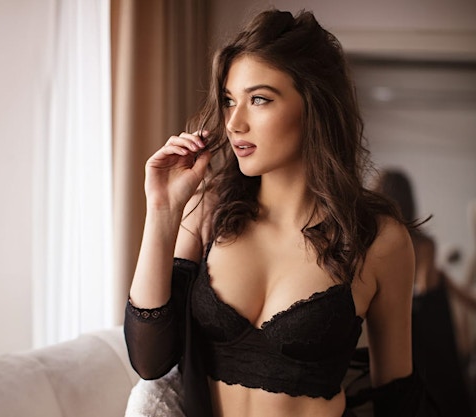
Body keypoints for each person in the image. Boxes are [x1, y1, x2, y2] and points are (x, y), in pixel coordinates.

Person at [123, 9, 434, 417]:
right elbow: (150, 360)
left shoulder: (378, 238)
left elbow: (397, 394)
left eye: (259, 99)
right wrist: (163, 209)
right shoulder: (209, 211)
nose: (234, 122)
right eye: (230, 101)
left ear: (315, 105)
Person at [374, 169, 472, 415]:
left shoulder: (374, 242)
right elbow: (426, 287)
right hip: (427, 333)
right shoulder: (423, 243)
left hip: (396, 326)